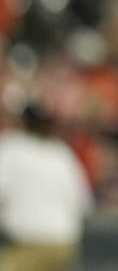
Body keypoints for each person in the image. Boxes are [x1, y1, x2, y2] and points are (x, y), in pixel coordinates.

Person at [0, 101, 93, 271]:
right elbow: (84, 204)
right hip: (65, 244)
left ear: (22, 122)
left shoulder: (10, 147)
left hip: (28, 242)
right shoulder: (61, 152)